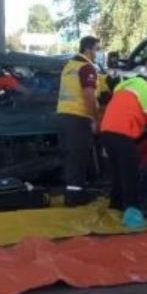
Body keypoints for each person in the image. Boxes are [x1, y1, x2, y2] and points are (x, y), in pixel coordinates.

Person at [100, 75, 147, 226]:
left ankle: (115, 205)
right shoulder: (144, 88)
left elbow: (140, 114)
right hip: (121, 133)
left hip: (106, 132)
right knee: (129, 173)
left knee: (117, 171)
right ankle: (132, 209)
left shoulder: (124, 89)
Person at [57, 36, 101, 207]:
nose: (97, 53)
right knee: (79, 156)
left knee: (70, 157)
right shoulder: (86, 67)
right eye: (96, 49)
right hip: (78, 117)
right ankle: (75, 197)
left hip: (64, 116)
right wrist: (95, 119)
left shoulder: (69, 66)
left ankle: (73, 193)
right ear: (88, 49)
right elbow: (89, 95)